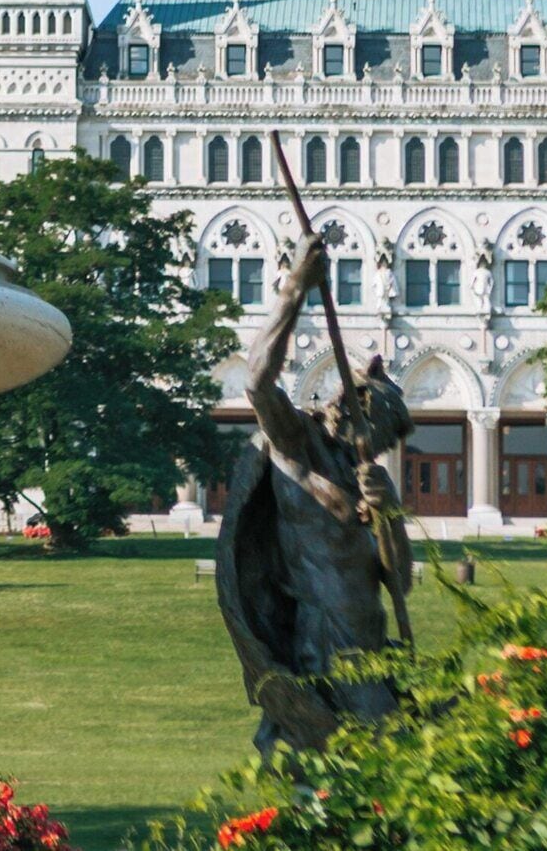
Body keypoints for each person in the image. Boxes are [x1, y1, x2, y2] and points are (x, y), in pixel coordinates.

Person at [212, 237, 412, 749]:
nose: (375, 442)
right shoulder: (296, 445)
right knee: (389, 748)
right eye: (374, 424)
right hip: (326, 641)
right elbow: (257, 383)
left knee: (387, 756)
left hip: (372, 639)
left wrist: (388, 514)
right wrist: (295, 288)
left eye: (382, 433)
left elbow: (400, 580)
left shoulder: (365, 478)